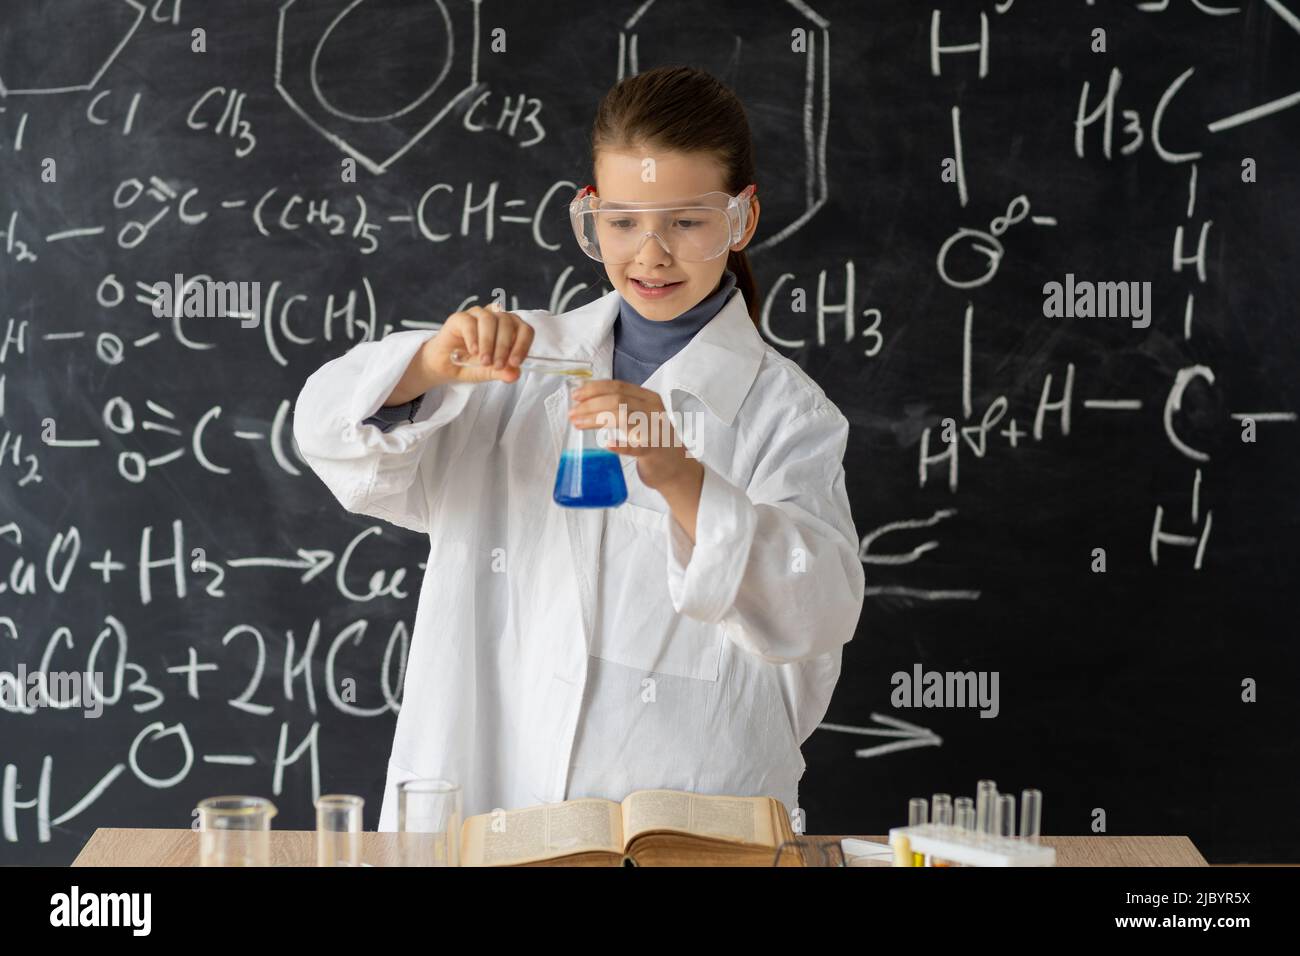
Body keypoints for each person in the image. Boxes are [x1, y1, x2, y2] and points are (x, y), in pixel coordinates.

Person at [293, 66, 865, 831]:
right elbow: (329, 435)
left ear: (741, 219)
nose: (651, 254)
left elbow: (818, 607)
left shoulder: (785, 412)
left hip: (688, 830)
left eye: (687, 222)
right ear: (590, 215)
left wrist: (681, 476)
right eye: (623, 222)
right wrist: (429, 364)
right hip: (485, 809)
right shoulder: (519, 364)